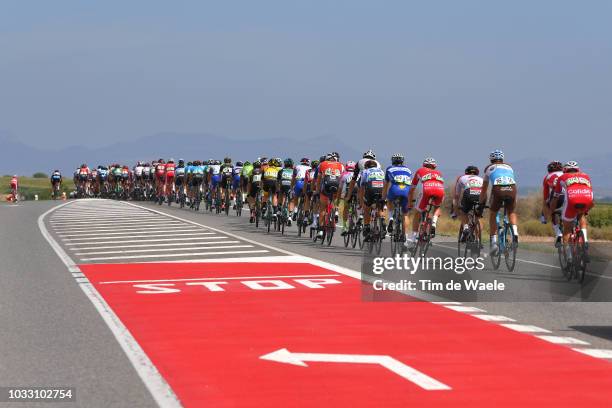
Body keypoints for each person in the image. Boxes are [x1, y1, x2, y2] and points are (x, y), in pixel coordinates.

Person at [550, 161, 594, 262]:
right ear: (578, 169)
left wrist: (552, 211)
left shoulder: (562, 177)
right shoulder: (586, 176)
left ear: (565, 170)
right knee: (582, 215)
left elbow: (556, 197)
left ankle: (569, 258)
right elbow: (590, 194)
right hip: (588, 199)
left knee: (567, 230)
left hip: (572, 201)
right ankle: (585, 240)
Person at [478, 150, 518, 255]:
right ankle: (515, 233)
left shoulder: (488, 168)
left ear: (491, 160)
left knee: (493, 213)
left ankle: (494, 243)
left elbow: (484, 189)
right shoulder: (509, 167)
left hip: (498, 189)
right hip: (512, 189)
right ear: (502, 159)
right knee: (511, 212)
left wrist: (481, 202)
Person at [407, 157, 445, 247]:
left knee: (417, 213)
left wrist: (410, 203)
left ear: (424, 165)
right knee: (437, 207)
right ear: (434, 166)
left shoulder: (420, 170)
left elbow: (412, 188)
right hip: (440, 190)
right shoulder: (439, 173)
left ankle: (413, 237)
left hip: (427, 189)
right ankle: (434, 223)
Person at [383, 154, 412, 243]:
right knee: (405, 214)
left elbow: (386, 185)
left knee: (389, 201)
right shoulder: (408, 170)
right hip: (406, 191)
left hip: (395, 189)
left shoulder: (389, 168)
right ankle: (404, 236)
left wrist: (383, 198)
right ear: (402, 161)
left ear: (393, 161)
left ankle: (391, 218)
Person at [315, 153, 344, 239]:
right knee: (334, 201)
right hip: (337, 186)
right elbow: (343, 179)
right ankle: (336, 211)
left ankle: (320, 230)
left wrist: (317, 191)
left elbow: (319, 179)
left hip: (326, 187)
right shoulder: (341, 165)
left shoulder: (322, 164)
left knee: (323, 208)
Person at [452, 166, 483, 242]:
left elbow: (457, 195)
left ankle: (465, 227)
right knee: (478, 217)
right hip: (480, 194)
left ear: (466, 172)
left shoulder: (462, 178)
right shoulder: (481, 179)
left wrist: (455, 208)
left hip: (469, 193)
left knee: (464, 212)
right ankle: (478, 239)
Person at [358, 160, 386, 240]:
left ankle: (366, 226)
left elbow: (362, 187)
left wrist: (361, 201)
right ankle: (382, 219)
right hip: (381, 189)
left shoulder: (365, 171)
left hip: (371, 189)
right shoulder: (381, 171)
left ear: (366, 166)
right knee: (380, 206)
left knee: (367, 207)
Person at [541, 161, 564, 247]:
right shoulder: (566, 174)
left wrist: (544, 212)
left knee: (552, 211)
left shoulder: (547, 177)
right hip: (569, 196)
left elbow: (545, 196)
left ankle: (558, 234)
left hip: (557, 196)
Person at [339, 160, 356, 236]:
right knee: (358, 206)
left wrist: (339, 198)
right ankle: (358, 218)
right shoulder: (358, 173)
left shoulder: (344, 174)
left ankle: (344, 226)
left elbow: (340, 188)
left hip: (348, 192)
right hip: (357, 192)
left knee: (346, 207)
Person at [278, 158, 295, 225]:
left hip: (283, 184)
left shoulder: (281, 170)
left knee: (281, 194)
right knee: (291, 200)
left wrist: (278, 189)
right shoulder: (294, 171)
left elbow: (278, 181)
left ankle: (279, 210)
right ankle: (290, 216)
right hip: (290, 185)